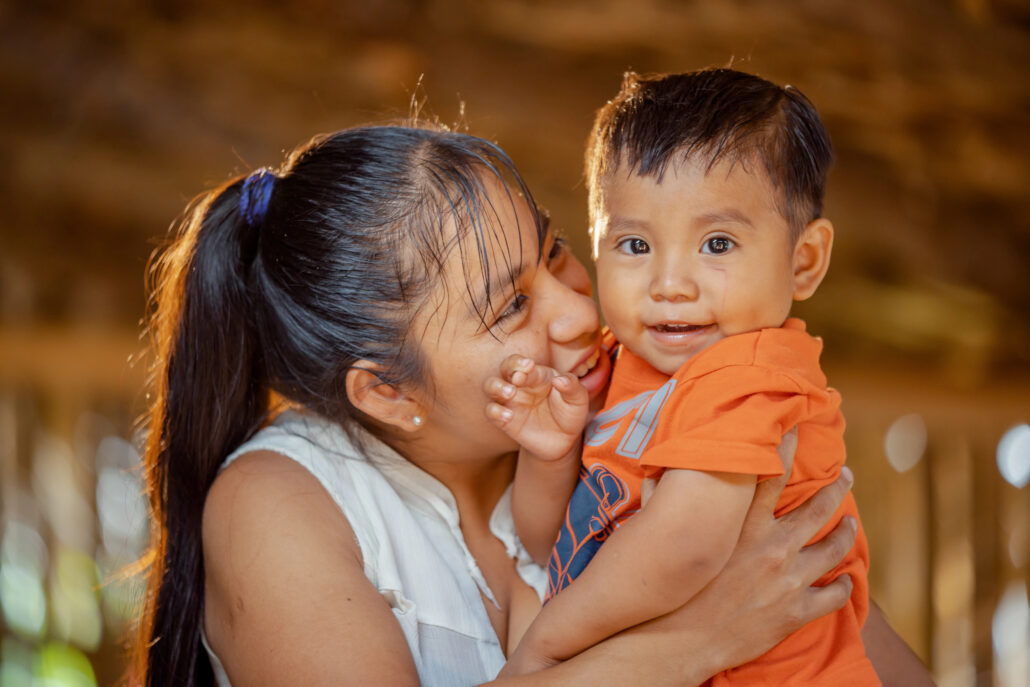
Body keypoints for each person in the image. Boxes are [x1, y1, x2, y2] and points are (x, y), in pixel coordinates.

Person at [134, 122, 923, 687]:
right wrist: (695, 640)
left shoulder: (627, 410)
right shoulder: (279, 502)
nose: (581, 315)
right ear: (387, 390)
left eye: (554, 252)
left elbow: (829, 610)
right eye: (510, 307)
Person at [487, 68, 877, 685]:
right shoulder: (619, 364)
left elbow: (685, 549)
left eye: (717, 244)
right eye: (636, 246)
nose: (670, 285)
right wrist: (550, 454)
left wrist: (545, 653)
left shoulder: (751, 379)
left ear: (804, 262)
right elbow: (550, 546)